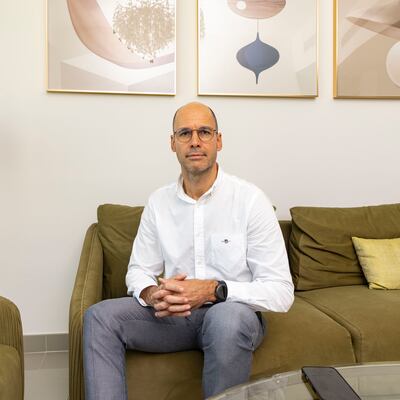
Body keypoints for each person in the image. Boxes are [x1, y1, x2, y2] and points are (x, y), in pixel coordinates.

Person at [83, 102, 294, 400]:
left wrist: (213, 290)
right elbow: (139, 269)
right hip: (175, 317)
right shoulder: (158, 203)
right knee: (99, 317)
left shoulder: (250, 200)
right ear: (173, 143)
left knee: (226, 320)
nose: (195, 141)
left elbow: (281, 292)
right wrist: (150, 293)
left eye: (204, 132)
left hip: (232, 312)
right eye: (185, 133)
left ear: (218, 140)